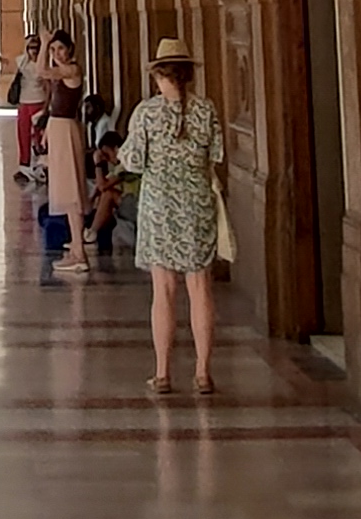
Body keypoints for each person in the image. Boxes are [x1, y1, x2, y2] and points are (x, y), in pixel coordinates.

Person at [120, 35, 227, 394]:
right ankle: (203, 372)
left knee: (163, 290)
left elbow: (133, 161)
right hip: (197, 204)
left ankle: (163, 372)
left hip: (159, 205)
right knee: (200, 289)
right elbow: (216, 156)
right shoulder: (206, 110)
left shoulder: (147, 112)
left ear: (159, 76)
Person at [37, 29, 92, 284]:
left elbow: (42, 72)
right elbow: (54, 104)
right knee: (65, 189)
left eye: (60, 48)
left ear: (70, 50)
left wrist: (45, 42)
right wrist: (48, 131)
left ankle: (79, 253)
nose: (56, 54)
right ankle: (76, 249)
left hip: (67, 131)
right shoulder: (63, 75)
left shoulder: (72, 70)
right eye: (53, 50)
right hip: (59, 129)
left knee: (70, 190)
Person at [88, 121, 125, 267]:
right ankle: (92, 229)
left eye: (107, 154)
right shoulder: (116, 168)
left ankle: (92, 233)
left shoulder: (125, 165)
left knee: (108, 194)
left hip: (134, 202)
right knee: (102, 195)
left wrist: (98, 164)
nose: (107, 159)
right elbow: (99, 187)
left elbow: (103, 186)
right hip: (125, 200)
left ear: (116, 149)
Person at [8, 31, 47, 167]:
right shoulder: (22, 62)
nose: (33, 51)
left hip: (39, 101)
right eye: (31, 47)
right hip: (24, 102)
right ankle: (24, 162)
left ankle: (42, 162)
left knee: (39, 134)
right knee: (23, 133)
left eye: (36, 47)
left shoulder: (44, 63)